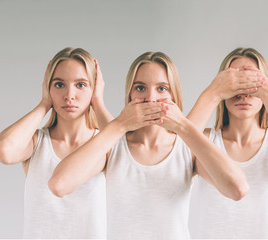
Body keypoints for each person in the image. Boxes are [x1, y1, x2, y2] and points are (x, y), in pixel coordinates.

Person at [48, 51, 250, 240]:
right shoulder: (113, 148)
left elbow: (238, 189)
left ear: (174, 96)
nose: (151, 98)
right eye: (140, 88)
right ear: (130, 95)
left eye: (162, 88)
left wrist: (182, 126)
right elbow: (59, 185)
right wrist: (120, 124)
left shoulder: (185, 149)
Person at [188, 47, 268, 239]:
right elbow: (173, 153)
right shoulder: (206, 140)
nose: (243, 94)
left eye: (250, 83)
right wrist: (213, 92)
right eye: (235, 84)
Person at [0, 47, 112, 238]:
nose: (69, 95)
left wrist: (98, 103)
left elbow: (126, 152)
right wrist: (44, 104)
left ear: (94, 87)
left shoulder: (103, 144)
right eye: (59, 84)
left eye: (81, 85)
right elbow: (3, 150)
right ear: (48, 87)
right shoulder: (36, 143)